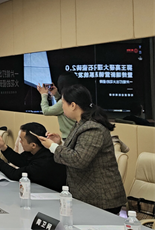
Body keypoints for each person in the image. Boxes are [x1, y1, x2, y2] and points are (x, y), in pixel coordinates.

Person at [36, 85, 126, 214]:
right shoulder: (81, 123)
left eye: (63, 103)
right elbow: (78, 150)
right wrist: (59, 143)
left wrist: (52, 146)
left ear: (73, 105)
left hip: (101, 198)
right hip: (86, 194)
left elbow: (79, 159)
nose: (62, 107)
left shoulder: (93, 128)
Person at [0, 122, 66, 192]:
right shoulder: (37, 151)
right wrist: (2, 146)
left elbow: (14, 174)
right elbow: (20, 160)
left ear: (33, 145)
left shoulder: (44, 161)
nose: (20, 142)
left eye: (22, 140)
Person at [36, 72, 79, 140]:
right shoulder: (77, 96)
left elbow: (46, 111)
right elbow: (62, 107)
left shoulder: (65, 100)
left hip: (69, 137)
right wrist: (56, 94)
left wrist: (43, 94)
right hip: (76, 134)